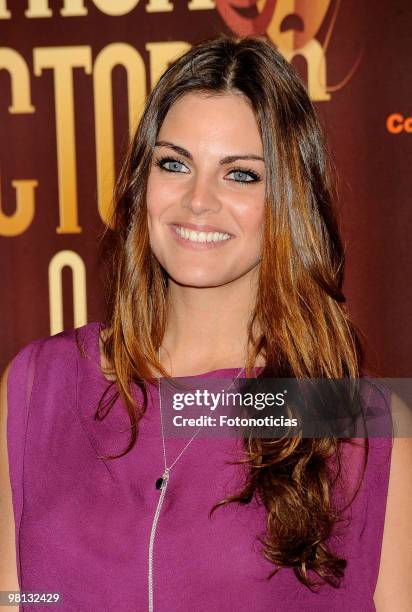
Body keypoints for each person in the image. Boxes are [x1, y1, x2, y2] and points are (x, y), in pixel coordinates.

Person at [1, 34, 411, 612]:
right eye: (175, 164)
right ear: (143, 182)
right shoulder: (37, 386)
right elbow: (17, 597)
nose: (198, 200)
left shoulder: (355, 423)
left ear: (288, 199)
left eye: (240, 174)